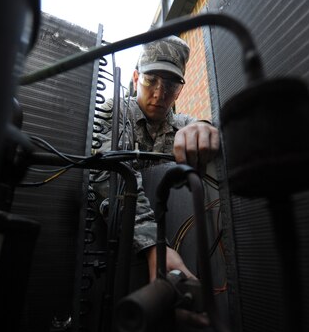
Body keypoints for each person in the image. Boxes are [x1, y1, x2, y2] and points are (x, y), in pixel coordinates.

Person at [93, 35, 220, 283]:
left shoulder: (184, 124)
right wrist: (153, 246)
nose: (160, 94)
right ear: (136, 78)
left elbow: (210, 132)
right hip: (117, 255)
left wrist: (206, 128)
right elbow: (109, 179)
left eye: (171, 86)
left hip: (179, 244)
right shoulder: (115, 112)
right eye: (151, 80)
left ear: (180, 90)